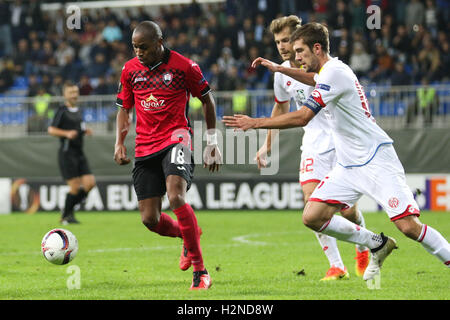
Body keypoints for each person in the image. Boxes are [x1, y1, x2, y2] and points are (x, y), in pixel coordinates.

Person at [224, 22, 450, 281]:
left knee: (409, 227)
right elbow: (312, 78)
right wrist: (278, 69)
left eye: (300, 51)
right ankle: (375, 243)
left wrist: (255, 123)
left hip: (375, 158)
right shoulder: (326, 72)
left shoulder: (336, 72)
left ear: (317, 48)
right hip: (348, 164)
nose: (295, 58)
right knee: (312, 215)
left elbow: (303, 117)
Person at [255, 16, 369, 281]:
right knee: (311, 205)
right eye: (278, 42)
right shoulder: (281, 73)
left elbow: (311, 81)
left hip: (341, 143)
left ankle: (363, 246)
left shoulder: (325, 68)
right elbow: (281, 108)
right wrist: (266, 145)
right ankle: (336, 265)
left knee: (347, 211)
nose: (282, 47)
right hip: (314, 146)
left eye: (286, 40)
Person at [114, 21, 222, 290]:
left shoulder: (185, 66)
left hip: (177, 138)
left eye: (144, 47)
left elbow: (207, 100)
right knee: (149, 219)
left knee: (175, 196)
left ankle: (200, 272)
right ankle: (188, 235)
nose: (139, 52)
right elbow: (124, 108)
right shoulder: (129, 70)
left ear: (159, 42)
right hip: (144, 146)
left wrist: (212, 141)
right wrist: (119, 142)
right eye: (135, 47)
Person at [48, 82, 96, 225]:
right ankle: (67, 215)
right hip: (67, 153)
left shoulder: (78, 110)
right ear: (64, 95)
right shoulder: (62, 110)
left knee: (89, 183)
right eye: (71, 92)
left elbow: (78, 128)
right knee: (75, 187)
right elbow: (51, 130)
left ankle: (67, 212)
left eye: (75, 92)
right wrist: (66, 133)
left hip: (79, 152)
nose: (74, 95)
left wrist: (84, 131)